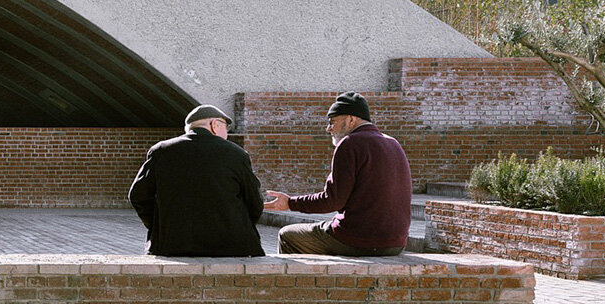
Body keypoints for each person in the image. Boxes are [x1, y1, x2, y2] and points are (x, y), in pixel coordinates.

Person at [264, 92, 411, 256]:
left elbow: (332, 201)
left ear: (351, 120)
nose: (328, 128)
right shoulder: (393, 143)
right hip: (396, 242)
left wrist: (290, 203)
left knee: (287, 235)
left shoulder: (350, 143)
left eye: (332, 121)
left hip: (358, 239)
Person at [128, 103, 265, 257]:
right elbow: (254, 202)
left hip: (172, 245)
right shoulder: (236, 154)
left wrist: (159, 226)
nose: (226, 133)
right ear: (215, 125)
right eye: (225, 128)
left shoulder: (161, 151)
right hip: (232, 246)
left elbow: (138, 196)